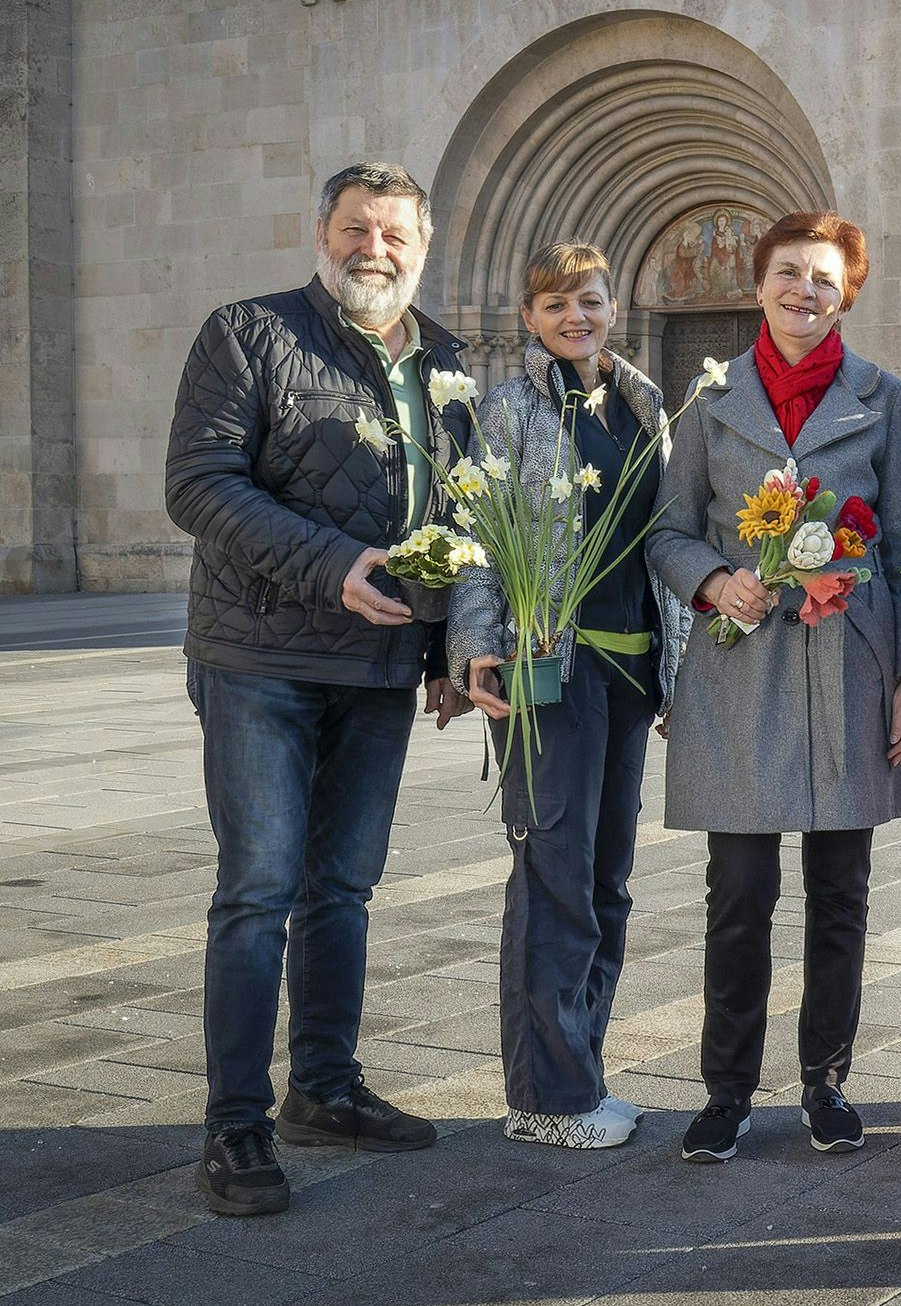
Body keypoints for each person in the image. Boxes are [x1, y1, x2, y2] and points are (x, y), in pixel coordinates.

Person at [165, 162, 471, 1216]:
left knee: (342, 888)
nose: (372, 249)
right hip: (260, 661)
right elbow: (199, 482)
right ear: (321, 231)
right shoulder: (246, 333)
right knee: (257, 890)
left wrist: (443, 651)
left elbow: (456, 514)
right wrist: (330, 564)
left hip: (379, 670)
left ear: (423, 246)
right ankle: (235, 1125)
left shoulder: (447, 361)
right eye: (354, 229)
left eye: (393, 234)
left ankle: (325, 1090)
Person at [645, 211, 901, 1162]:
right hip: (741, 664)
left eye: (822, 278)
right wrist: (713, 578)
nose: (802, 292)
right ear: (759, 283)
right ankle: (726, 1090)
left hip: (848, 664)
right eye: (786, 274)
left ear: (845, 291)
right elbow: (668, 530)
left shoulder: (882, 397)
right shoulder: (711, 399)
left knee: (841, 889)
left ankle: (828, 1082)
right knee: (739, 888)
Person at [447, 242, 691, 1150]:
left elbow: (662, 542)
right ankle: (546, 1098)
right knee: (554, 878)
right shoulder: (508, 409)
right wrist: (477, 648)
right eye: (554, 305)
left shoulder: (646, 406)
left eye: (587, 300)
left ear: (612, 308)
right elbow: (474, 531)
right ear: (528, 318)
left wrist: (680, 669)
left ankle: (580, 1071)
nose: (573, 318)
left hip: (631, 674)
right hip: (552, 670)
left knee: (607, 879)